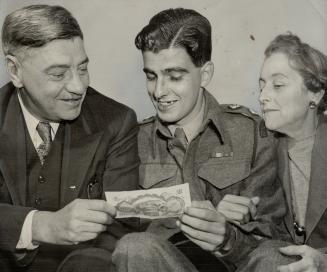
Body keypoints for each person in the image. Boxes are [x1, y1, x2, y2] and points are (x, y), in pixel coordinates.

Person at [112, 8, 286, 272]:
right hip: (166, 263)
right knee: (134, 247)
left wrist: (227, 238)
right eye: (151, 76)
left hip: (237, 265)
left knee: (276, 256)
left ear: (204, 74)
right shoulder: (132, 140)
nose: (159, 91)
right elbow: (117, 229)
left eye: (174, 76)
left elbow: (274, 231)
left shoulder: (251, 132)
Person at [0, 4, 139, 272]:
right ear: (15, 71)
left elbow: (123, 228)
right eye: (58, 74)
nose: (78, 86)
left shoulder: (116, 121)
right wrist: (42, 225)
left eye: (83, 69)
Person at [228, 33, 327, 272]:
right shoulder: (260, 146)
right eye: (261, 86)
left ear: (315, 93)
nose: (262, 97)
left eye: (278, 85)